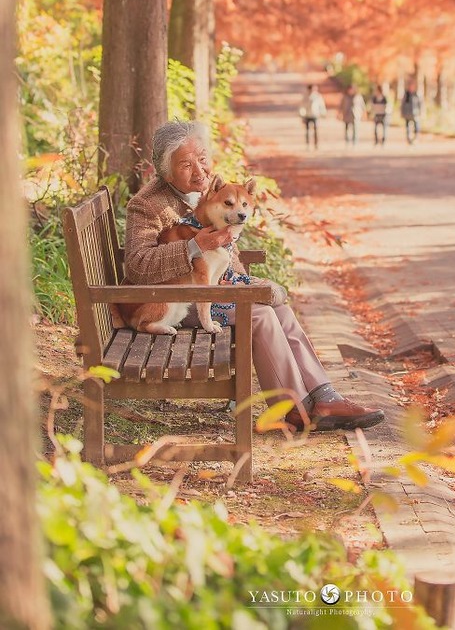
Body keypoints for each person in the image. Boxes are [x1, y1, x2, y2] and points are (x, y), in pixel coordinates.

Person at [124, 120, 384, 432]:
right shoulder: (147, 205)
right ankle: (295, 409)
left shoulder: (213, 190)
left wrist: (246, 283)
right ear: (166, 172)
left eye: (202, 158)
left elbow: (224, 255)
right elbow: (137, 265)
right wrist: (193, 247)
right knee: (259, 316)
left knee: (281, 311)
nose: (199, 170)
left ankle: (324, 396)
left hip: (215, 291)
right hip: (177, 301)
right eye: (186, 164)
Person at [299, 83, 327, 149]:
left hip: (315, 115)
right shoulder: (305, 97)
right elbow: (302, 106)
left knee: (316, 131)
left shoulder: (318, 96)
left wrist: (323, 113)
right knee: (307, 131)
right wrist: (302, 114)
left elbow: (321, 105)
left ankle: (316, 144)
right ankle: (308, 144)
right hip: (307, 115)